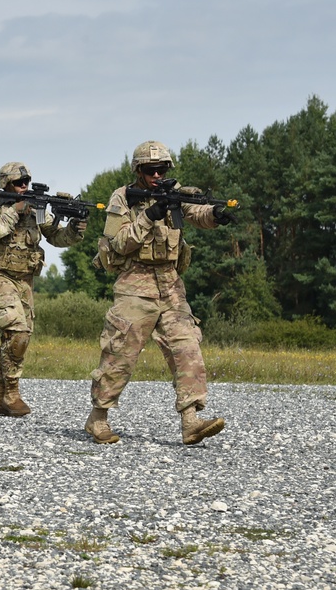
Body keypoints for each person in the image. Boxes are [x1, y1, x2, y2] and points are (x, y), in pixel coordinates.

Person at [86, 140, 234, 445]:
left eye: (162, 169)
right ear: (139, 171)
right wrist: (150, 214)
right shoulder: (123, 198)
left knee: (187, 345)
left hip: (170, 285)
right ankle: (98, 418)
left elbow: (196, 212)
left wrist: (216, 215)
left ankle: (190, 421)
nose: (157, 175)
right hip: (134, 285)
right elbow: (118, 243)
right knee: (119, 353)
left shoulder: (173, 192)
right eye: (151, 170)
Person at [0, 162, 86, 416]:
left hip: (25, 280)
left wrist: (76, 228)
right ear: (6, 184)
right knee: (18, 334)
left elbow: (57, 237)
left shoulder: (35, 208)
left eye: (26, 182)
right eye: (18, 183)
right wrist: (15, 211)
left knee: (12, 338)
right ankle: (12, 393)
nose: (24, 186)